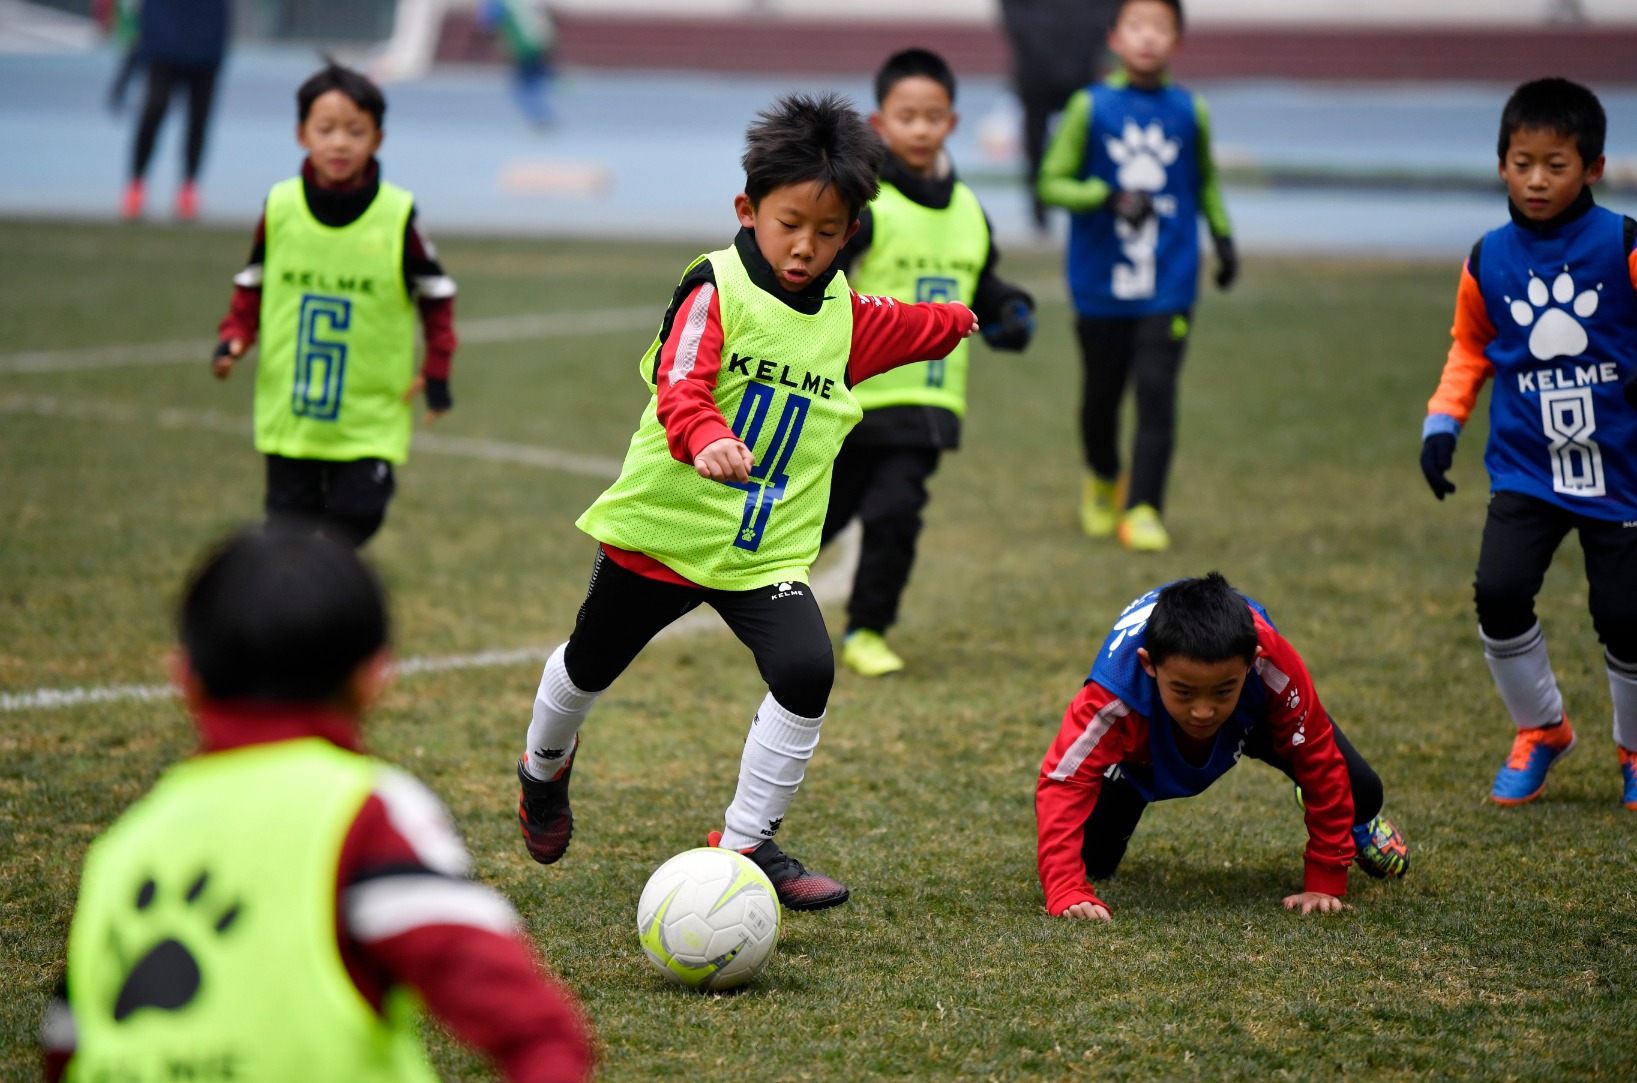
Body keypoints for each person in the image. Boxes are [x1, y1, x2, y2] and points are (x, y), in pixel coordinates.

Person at [514, 92, 978, 911]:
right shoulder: (714, 287)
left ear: (852, 234)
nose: (806, 247)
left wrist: (966, 316)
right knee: (589, 664)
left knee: (806, 671)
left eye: (828, 233)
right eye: (789, 223)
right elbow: (680, 381)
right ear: (747, 209)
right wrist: (706, 438)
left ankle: (745, 841)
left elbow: (903, 323)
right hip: (663, 533)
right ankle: (542, 772)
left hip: (759, 553)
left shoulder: (842, 313)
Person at [41, 527, 595, 1082]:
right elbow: (536, 1032)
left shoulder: (124, 847)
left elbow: (64, 1051)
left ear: (183, 680)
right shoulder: (364, 817)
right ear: (373, 679)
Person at [1420, 77, 1637, 811]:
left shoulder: (1623, 245)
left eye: (1555, 163)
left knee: (1626, 615)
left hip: (1620, 472)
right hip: (1526, 467)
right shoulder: (1487, 259)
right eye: (1520, 162)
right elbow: (1469, 346)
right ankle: (1540, 729)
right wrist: (1441, 422)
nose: (1536, 179)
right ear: (1500, 162)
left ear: (1593, 168)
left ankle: (1634, 747)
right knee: (1499, 591)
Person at [821, 48, 1036, 677]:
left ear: (952, 122)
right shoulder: (865, 204)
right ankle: (751, 589)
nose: (920, 128)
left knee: (896, 513)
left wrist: (1010, 311)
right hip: (850, 392)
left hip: (927, 399)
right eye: (906, 115)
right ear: (878, 122)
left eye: (933, 116)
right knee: (818, 514)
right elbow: (821, 276)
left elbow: (983, 281)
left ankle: (867, 628)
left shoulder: (970, 208)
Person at [1035, 574, 1409, 920]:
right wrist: (1066, 887)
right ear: (1149, 665)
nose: (1202, 711)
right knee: (1092, 861)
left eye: (1221, 690)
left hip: (1250, 719)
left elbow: (1318, 756)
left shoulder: (1273, 664)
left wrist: (1325, 878)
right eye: (1183, 691)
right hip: (1142, 749)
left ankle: (1355, 828)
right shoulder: (1112, 695)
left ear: (1252, 663)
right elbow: (1063, 780)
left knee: (1359, 790)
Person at [213, 62, 458, 549]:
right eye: (326, 129)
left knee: (357, 518)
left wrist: (437, 368)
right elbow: (252, 282)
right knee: (285, 532)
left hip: (368, 412)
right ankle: (295, 611)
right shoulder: (280, 207)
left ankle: (319, 581)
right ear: (301, 133)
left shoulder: (398, 214)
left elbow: (436, 295)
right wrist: (234, 334)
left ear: (378, 139)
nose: (340, 143)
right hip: (292, 410)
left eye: (355, 130)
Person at [1037, 0, 1236, 552]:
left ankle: (1145, 506)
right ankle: (1103, 478)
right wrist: (1105, 197)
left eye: (1160, 27)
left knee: (1157, 392)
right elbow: (1051, 182)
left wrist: (1222, 236)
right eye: (1136, 26)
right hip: (1100, 285)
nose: (1148, 38)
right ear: (1115, 38)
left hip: (1169, 282)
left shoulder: (1189, 110)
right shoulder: (1089, 107)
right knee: (1100, 400)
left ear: (1177, 40)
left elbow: (1206, 182)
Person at [120, 0, 228, 221]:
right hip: (164, 43)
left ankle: (188, 188)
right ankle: (136, 184)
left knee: (198, 120)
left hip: (206, 47)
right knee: (153, 112)